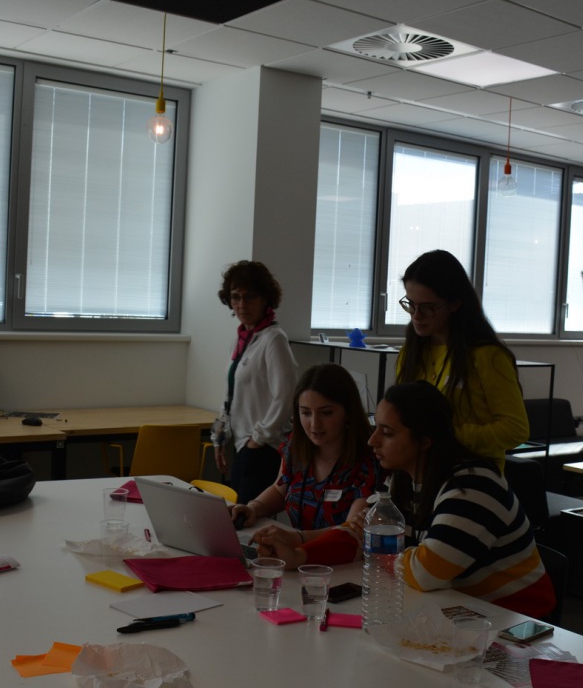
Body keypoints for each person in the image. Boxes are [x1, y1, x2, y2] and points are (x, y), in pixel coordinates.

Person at [257, 380, 555, 619]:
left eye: (387, 433)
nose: (372, 441)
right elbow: (358, 532)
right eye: (376, 428)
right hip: (455, 613)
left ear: (424, 441)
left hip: (514, 626)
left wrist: (374, 549)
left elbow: (425, 571)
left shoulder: (473, 486)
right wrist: (300, 554)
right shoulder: (403, 478)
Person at [396, 249, 528, 468]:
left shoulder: (487, 356)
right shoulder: (410, 354)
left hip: (472, 475)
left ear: (455, 303)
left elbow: (516, 429)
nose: (416, 316)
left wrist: (447, 436)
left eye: (428, 307)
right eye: (410, 304)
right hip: (421, 474)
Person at [235, 363, 378, 540]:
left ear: (348, 412)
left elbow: (350, 532)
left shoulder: (368, 459)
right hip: (296, 552)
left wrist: (296, 538)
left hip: (339, 556)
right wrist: (253, 508)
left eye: (326, 413)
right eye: (306, 413)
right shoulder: (295, 445)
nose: (315, 424)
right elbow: (280, 490)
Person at [213, 260, 297, 505]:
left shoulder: (274, 339)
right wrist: (219, 437)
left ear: (265, 299)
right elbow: (230, 395)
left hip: (263, 448)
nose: (242, 304)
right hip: (242, 445)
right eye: (236, 297)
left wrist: (257, 440)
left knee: (247, 518)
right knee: (236, 513)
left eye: (250, 297)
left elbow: (285, 398)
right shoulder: (242, 339)